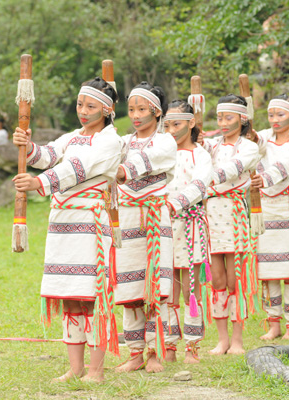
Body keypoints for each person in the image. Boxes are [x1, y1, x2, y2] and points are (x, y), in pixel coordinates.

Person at [12, 77, 122, 383]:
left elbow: (78, 168)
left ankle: (97, 371)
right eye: (79, 104)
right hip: (61, 226)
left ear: (108, 109)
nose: (83, 111)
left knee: (92, 297)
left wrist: (39, 183)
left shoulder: (111, 141)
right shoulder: (72, 136)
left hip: (89, 225)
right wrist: (27, 145)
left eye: (90, 106)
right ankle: (75, 369)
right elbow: (47, 156)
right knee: (70, 297)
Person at [113, 82, 177, 374]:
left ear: (157, 111)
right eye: (131, 109)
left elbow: (144, 161)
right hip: (125, 219)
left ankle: (154, 353)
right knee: (129, 288)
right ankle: (135, 352)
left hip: (154, 218)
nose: (135, 115)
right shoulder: (121, 142)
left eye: (142, 109)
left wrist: (124, 169)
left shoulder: (166, 142)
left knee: (155, 288)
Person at [249, 95, 289, 340]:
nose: (275, 120)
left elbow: (287, 163)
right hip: (265, 206)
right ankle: (273, 322)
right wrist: (247, 135)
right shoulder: (264, 136)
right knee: (267, 268)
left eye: (281, 115)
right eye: (271, 115)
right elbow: (255, 141)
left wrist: (264, 178)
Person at [201, 94, 259, 355]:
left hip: (234, 210)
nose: (223, 122)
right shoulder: (210, 146)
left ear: (242, 119)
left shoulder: (249, 148)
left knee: (237, 279)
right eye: (219, 117)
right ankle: (222, 338)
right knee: (217, 279)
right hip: (211, 211)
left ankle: (237, 340)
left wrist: (206, 177)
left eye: (229, 117)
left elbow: (233, 169)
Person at [162, 100, 213, 364]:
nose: (171, 130)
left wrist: (176, 204)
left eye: (177, 124)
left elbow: (200, 184)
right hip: (163, 225)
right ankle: (168, 346)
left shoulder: (201, 154)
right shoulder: (161, 151)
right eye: (167, 125)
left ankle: (192, 347)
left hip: (190, 224)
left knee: (190, 289)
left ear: (191, 123)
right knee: (166, 288)